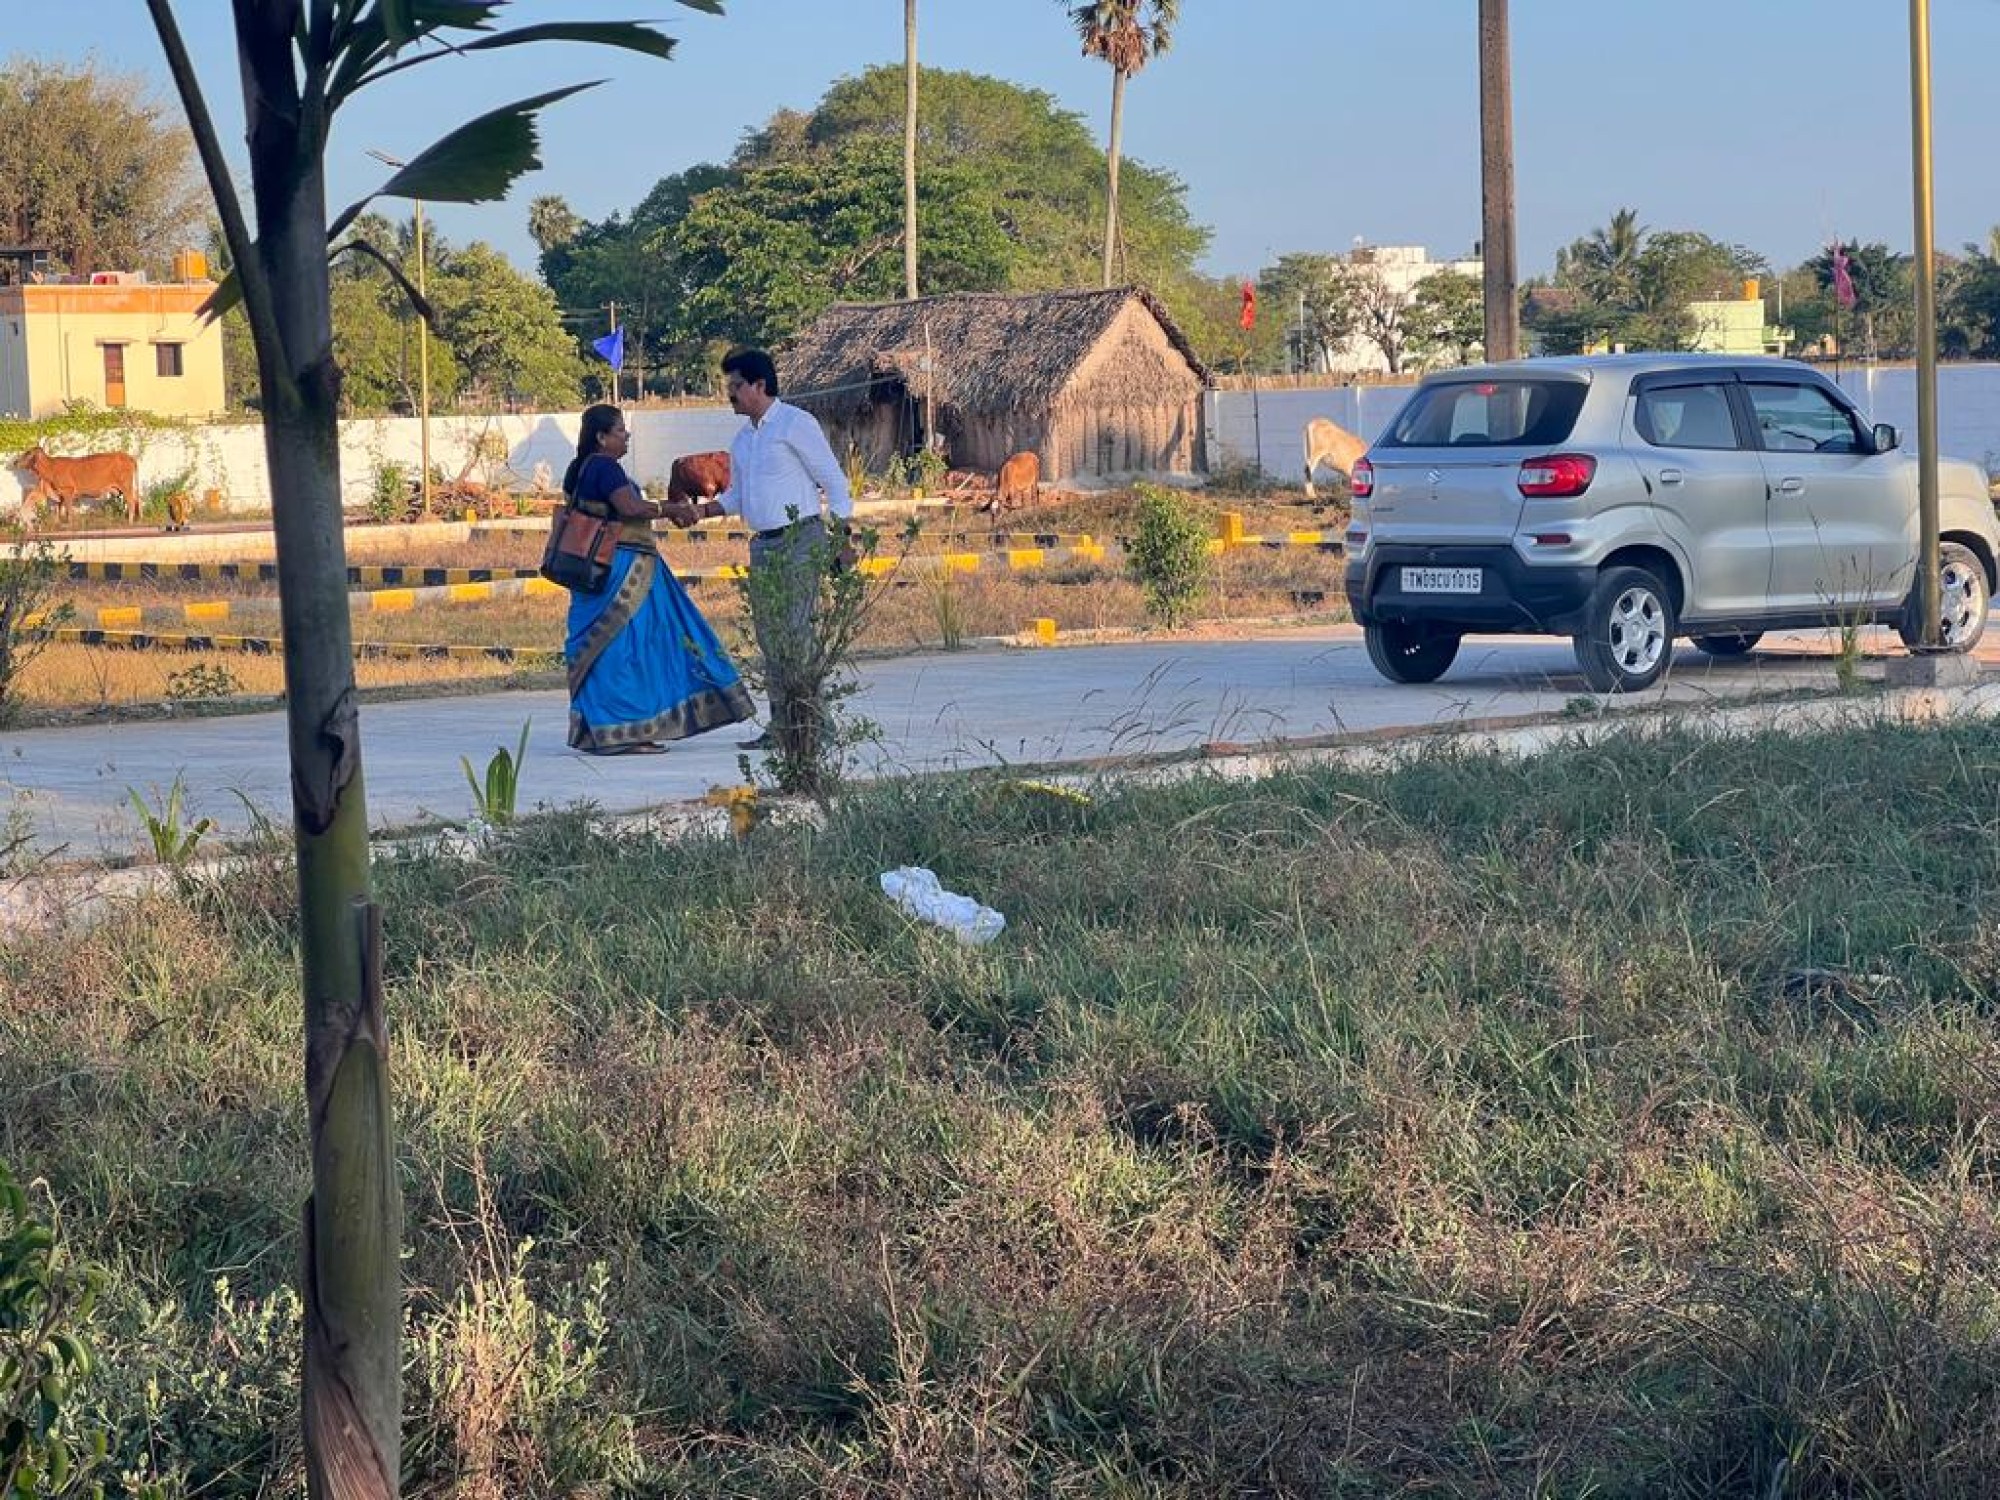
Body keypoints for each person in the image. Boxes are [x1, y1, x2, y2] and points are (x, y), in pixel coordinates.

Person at [665, 348, 853, 751]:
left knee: (797, 633)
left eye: (736, 386)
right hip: (764, 546)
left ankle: (816, 726)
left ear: (760, 385)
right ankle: (783, 727)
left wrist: (841, 537)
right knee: (770, 639)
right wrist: (701, 512)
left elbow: (835, 483)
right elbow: (738, 496)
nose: (730, 394)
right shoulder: (744, 440)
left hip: (800, 538)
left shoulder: (795, 424)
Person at [559, 403, 754, 755]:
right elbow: (630, 508)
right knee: (628, 647)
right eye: (620, 430)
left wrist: (672, 506)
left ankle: (602, 728)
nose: (627, 435)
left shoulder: (583, 467)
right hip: (622, 572)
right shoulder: (605, 468)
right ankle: (627, 727)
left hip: (598, 572)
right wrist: (671, 508)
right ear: (601, 437)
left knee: (607, 650)